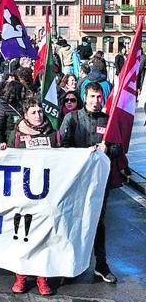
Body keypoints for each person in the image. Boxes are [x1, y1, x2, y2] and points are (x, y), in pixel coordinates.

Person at [60, 82, 123, 284]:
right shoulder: (72, 118)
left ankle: (101, 266)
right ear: (84, 97)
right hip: (76, 182)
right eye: (92, 96)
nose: (96, 101)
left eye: (99, 97)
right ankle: (69, 265)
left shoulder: (108, 121)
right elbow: (62, 146)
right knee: (72, 221)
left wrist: (107, 150)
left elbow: (118, 150)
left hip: (99, 182)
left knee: (98, 222)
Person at [8, 98, 57, 295]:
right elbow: (8, 160)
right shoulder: (16, 134)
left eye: (40, 112)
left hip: (46, 194)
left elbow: (64, 157)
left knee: (44, 236)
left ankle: (42, 278)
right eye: (34, 112)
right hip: (23, 194)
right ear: (25, 115)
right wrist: (3, 150)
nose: (38, 116)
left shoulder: (53, 134)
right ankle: (20, 276)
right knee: (22, 235)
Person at [0, 81, 24, 150]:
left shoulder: (20, 105)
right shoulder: (1, 106)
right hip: (6, 145)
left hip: (19, 143)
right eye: (21, 91)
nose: (23, 94)